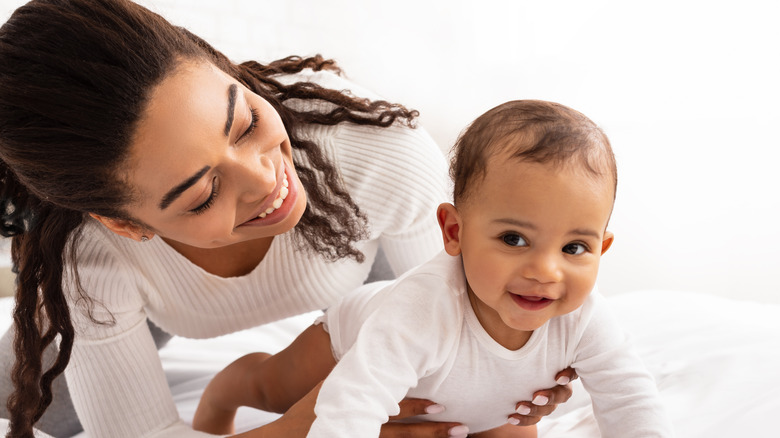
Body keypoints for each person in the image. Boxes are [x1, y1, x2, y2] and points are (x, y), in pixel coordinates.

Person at [0, 1, 577, 437]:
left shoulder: (368, 149)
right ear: (125, 224)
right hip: (141, 294)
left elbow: (482, 338)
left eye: (246, 121)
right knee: (33, 406)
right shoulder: (91, 257)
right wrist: (306, 423)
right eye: (203, 195)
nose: (266, 182)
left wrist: (512, 393)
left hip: (359, 261)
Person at [192, 100, 675, 438]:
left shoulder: (585, 316)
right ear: (454, 233)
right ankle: (225, 390)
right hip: (355, 340)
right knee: (279, 392)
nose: (546, 270)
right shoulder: (421, 310)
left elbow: (629, 398)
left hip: (479, 399)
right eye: (514, 239)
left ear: (602, 248)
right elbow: (353, 402)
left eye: (575, 247)